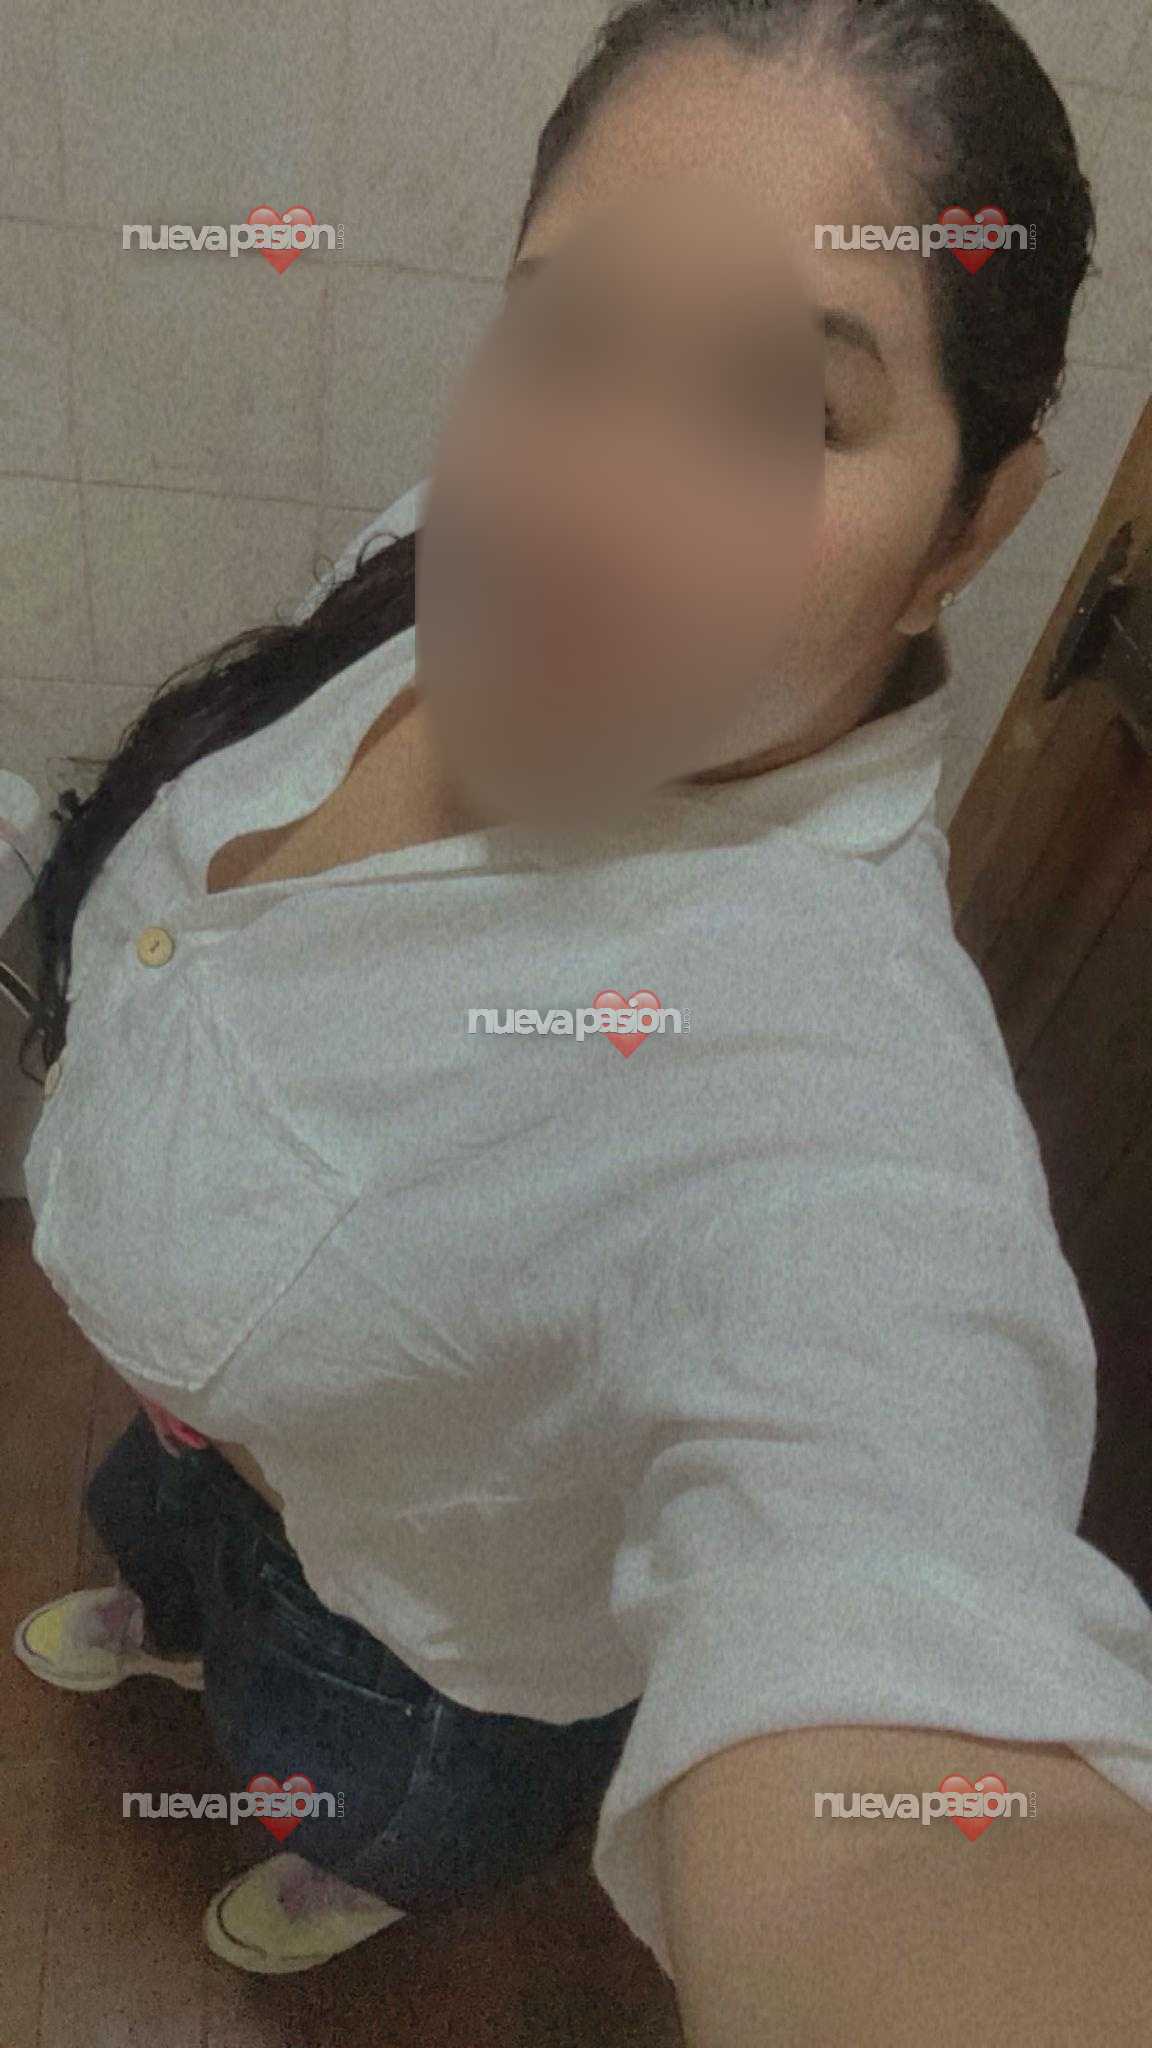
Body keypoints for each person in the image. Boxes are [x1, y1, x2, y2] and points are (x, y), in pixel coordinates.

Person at [12, 0, 1152, 2035]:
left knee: (330, 1769)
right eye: (569, 335)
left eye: (782, 407)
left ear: (972, 531)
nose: (587, 507)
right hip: (203, 1441)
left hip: (408, 1651)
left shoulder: (833, 1101)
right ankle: (176, 1615)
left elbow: (909, 1793)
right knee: (164, 1543)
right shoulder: (428, 553)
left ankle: (347, 1851)